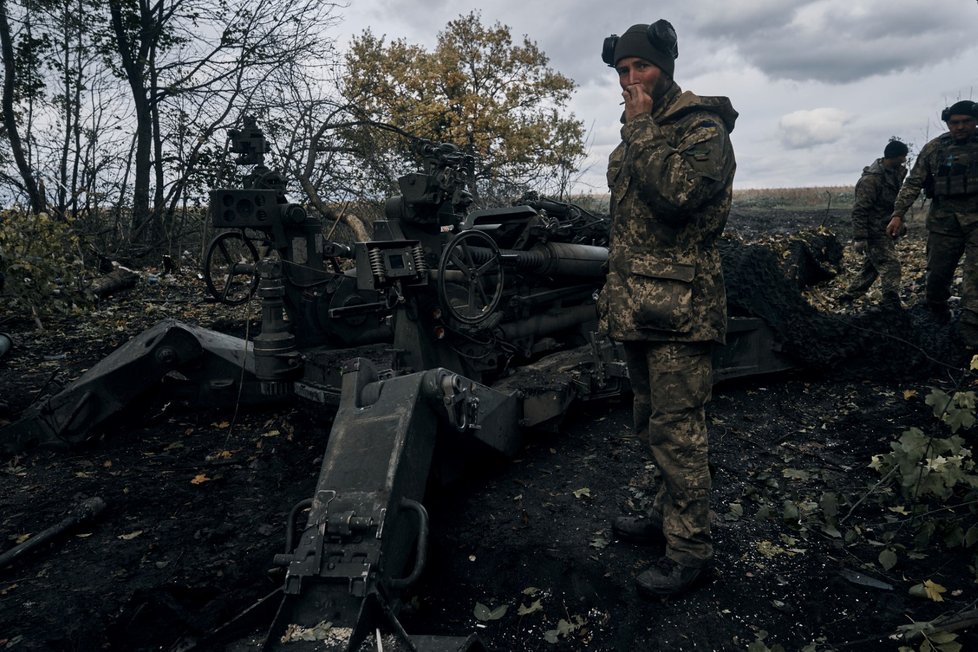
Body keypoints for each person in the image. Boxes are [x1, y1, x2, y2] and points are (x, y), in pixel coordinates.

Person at [598, 19, 737, 597]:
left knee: (680, 432)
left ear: (666, 67)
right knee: (652, 424)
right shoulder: (641, 130)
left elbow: (678, 196)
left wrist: (641, 129)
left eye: (642, 67)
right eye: (623, 71)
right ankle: (665, 517)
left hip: (681, 310)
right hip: (641, 307)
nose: (631, 79)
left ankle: (690, 550)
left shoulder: (701, 129)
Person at [890, 100, 978, 343]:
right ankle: (937, 316)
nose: (960, 127)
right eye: (954, 122)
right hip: (944, 223)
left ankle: (971, 335)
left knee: (975, 278)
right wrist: (898, 214)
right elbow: (913, 183)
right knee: (937, 277)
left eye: (966, 122)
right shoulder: (935, 148)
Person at [839, 140, 909, 306]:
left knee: (871, 268)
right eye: (903, 157)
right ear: (894, 157)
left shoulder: (895, 173)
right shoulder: (871, 180)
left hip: (885, 228)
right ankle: (890, 305)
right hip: (873, 232)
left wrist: (900, 223)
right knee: (891, 266)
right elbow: (860, 210)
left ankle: (849, 296)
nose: (905, 160)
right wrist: (860, 238)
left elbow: (895, 202)